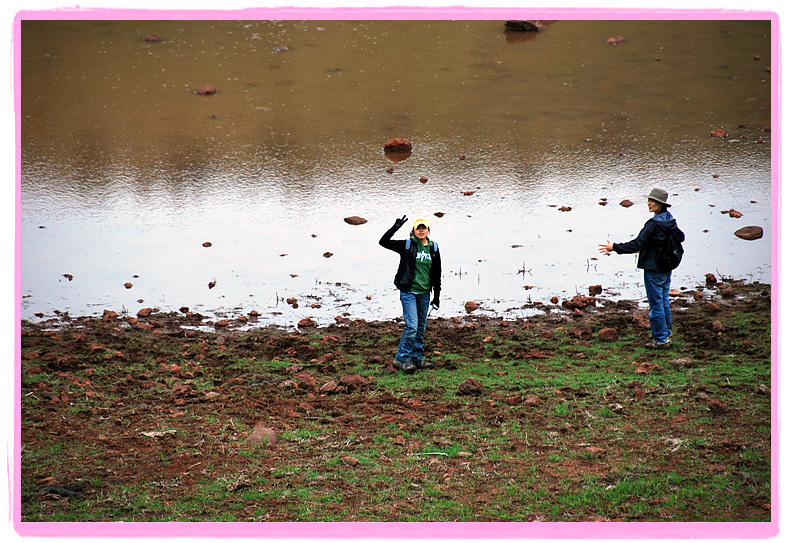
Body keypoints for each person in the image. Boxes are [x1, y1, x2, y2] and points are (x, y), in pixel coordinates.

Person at [599, 188, 685, 349]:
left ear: (661, 204)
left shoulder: (653, 224)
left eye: (654, 201)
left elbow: (637, 244)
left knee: (656, 305)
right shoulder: (670, 220)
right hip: (667, 267)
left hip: (654, 269)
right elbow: (681, 237)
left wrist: (614, 247)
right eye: (649, 200)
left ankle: (660, 340)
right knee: (664, 300)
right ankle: (667, 334)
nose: (650, 203)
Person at [379, 216, 442, 373]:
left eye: (424, 228)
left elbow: (437, 273)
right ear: (413, 231)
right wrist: (395, 227)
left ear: (428, 230)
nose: (421, 230)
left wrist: (437, 296)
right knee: (412, 326)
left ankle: (416, 358)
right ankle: (401, 358)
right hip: (408, 291)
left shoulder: (434, 248)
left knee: (421, 327)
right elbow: (383, 242)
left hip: (425, 293)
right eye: (418, 228)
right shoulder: (407, 245)